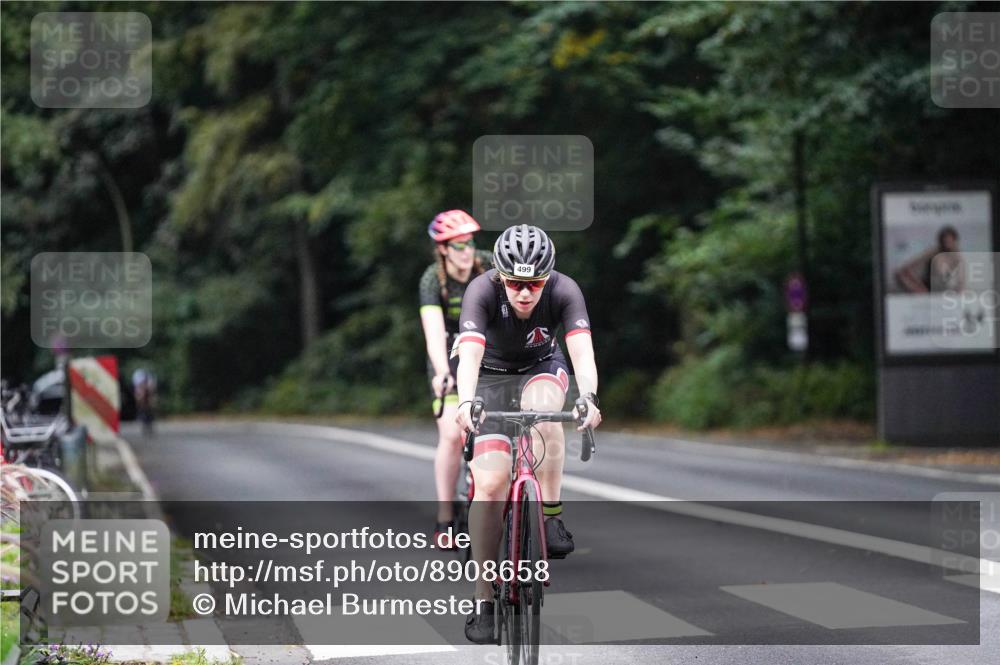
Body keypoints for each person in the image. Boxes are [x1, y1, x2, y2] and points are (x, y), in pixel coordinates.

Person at [453, 224, 602, 643]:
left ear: (547, 278)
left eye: (533, 284)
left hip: (541, 367)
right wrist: (465, 404)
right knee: (490, 484)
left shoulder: (565, 290)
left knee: (545, 411)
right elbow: (468, 357)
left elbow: (581, 351)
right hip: (488, 377)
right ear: (500, 276)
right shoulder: (481, 291)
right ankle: (483, 598)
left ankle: (551, 516)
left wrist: (588, 396)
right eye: (515, 283)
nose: (524, 293)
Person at [418, 210, 492, 548]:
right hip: (448, 359)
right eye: (459, 245)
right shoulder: (432, 279)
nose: (467, 251)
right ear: (444, 249)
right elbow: (434, 334)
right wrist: (443, 373)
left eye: (470, 243)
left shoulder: (488, 265)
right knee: (451, 435)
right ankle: (445, 518)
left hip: (487, 354)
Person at [894, 225, 966, 293]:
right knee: (900, 274)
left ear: (955, 241)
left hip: (941, 288)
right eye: (945, 242)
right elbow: (908, 267)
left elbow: (959, 281)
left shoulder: (957, 257)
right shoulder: (933, 251)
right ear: (941, 242)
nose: (947, 244)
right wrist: (917, 284)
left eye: (950, 242)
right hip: (926, 286)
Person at [132, 368, 157, 436]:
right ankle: (144, 421)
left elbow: (152, 390)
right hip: (143, 393)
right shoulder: (138, 379)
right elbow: (138, 391)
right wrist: (140, 397)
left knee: (150, 409)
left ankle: (149, 423)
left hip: (148, 393)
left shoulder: (149, 380)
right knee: (143, 408)